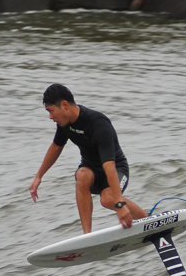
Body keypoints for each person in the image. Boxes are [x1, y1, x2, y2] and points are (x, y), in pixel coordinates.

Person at [28, 83, 149, 232]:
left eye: (51, 111)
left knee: (108, 199)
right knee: (82, 175)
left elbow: (109, 166)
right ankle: (87, 235)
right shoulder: (64, 124)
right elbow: (56, 147)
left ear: (65, 105)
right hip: (92, 173)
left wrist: (119, 204)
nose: (50, 117)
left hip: (116, 169)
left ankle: (148, 221)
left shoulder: (98, 123)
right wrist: (38, 176)